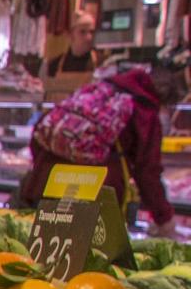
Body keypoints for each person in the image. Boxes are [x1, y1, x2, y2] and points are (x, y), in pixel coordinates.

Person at [20, 53, 185, 238]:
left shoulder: (96, 90)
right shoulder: (144, 110)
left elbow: (44, 130)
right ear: (163, 100)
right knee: (87, 258)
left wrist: (41, 170)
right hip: (95, 195)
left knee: (42, 254)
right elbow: (147, 171)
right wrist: (164, 219)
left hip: (46, 184)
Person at [44, 12, 100, 79]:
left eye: (91, 32)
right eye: (82, 32)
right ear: (71, 35)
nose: (89, 37)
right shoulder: (54, 65)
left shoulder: (101, 63)